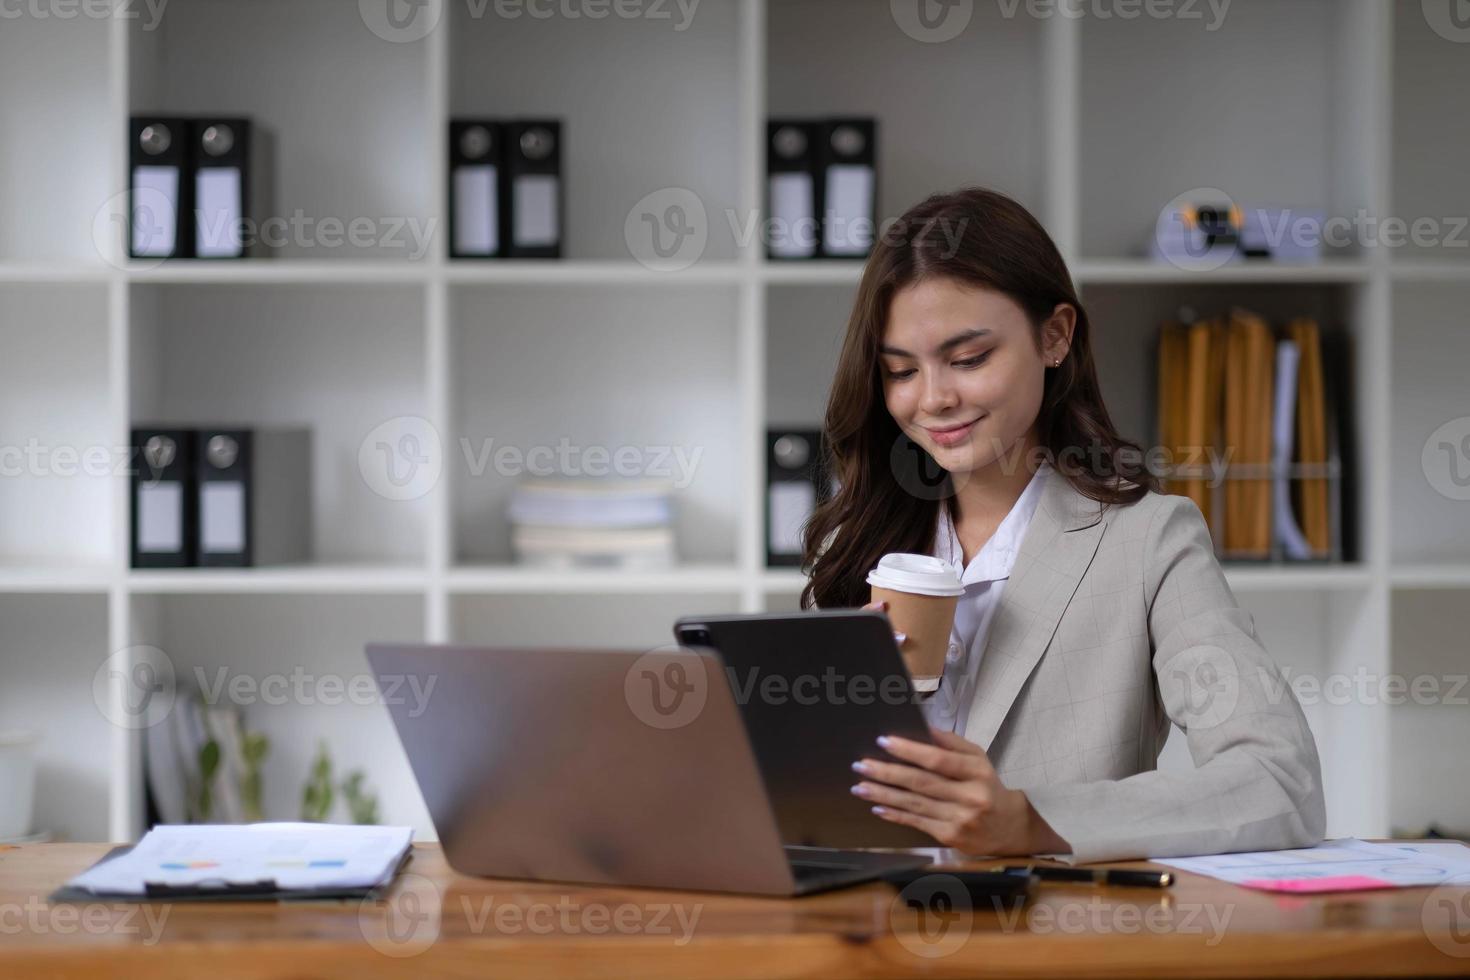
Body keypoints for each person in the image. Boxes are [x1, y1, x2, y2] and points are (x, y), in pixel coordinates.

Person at [801, 187, 1325, 863]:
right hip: (864, 940)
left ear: (1054, 336)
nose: (933, 398)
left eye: (968, 359)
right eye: (901, 370)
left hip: (1054, 942)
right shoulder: (856, 550)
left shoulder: (1148, 541)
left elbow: (1280, 783)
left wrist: (1032, 821)